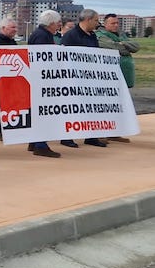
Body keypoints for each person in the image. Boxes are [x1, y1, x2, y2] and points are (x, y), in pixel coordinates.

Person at [61, 9, 108, 148]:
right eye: (95, 20)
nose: (97, 23)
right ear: (87, 20)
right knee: (72, 108)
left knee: (91, 108)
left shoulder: (92, 35)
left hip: (90, 79)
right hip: (74, 79)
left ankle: (91, 136)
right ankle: (66, 137)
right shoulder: (71, 36)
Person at [97, 13, 140, 143]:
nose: (116, 25)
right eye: (112, 23)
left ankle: (114, 131)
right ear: (105, 24)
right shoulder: (100, 35)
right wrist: (124, 46)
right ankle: (102, 132)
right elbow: (113, 47)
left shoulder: (121, 35)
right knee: (106, 105)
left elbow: (136, 46)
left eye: (117, 23)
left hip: (124, 75)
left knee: (119, 106)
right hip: (110, 76)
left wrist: (122, 43)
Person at [27, 10, 64, 157]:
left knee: (38, 113)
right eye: (58, 22)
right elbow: (42, 58)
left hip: (39, 80)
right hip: (41, 81)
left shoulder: (42, 34)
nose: (60, 24)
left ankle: (34, 142)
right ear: (51, 23)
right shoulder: (42, 36)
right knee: (42, 113)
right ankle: (40, 145)